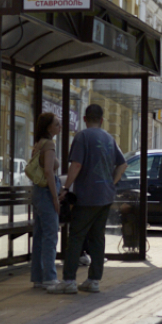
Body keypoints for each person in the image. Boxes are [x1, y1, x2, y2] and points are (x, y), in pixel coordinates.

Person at [51, 104, 127, 294]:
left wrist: (66, 187)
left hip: (87, 197)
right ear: (102, 120)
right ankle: (93, 280)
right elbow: (123, 164)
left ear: (85, 119)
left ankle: (69, 281)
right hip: (105, 196)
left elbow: (76, 164)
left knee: (76, 237)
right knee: (97, 238)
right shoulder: (109, 138)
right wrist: (111, 182)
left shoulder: (82, 137)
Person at [29, 113, 65, 293]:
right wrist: (54, 197)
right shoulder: (49, 144)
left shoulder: (38, 144)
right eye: (57, 124)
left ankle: (38, 278)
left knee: (39, 235)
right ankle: (50, 278)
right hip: (45, 193)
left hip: (37, 192)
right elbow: (49, 172)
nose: (60, 127)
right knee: (51, 235)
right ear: (49, 127)